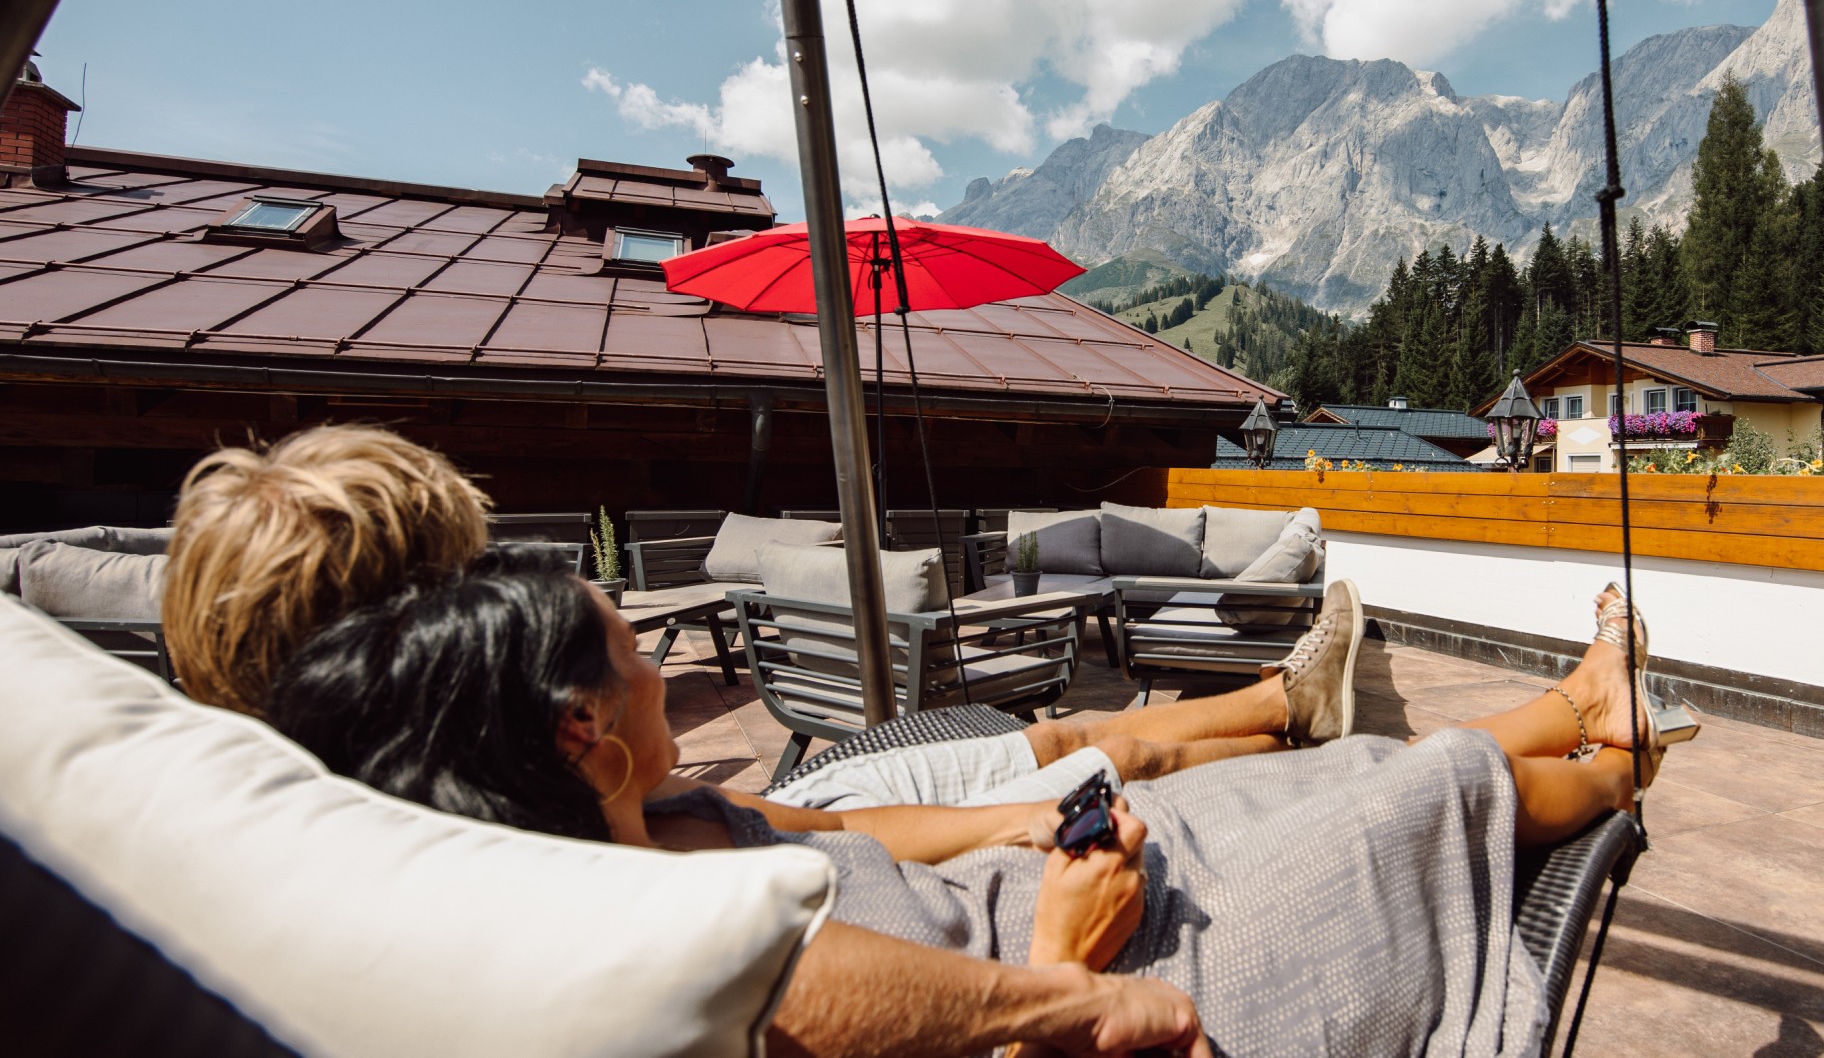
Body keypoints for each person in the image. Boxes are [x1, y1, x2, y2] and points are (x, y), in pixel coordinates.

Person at [265, 550, 1655, 1056]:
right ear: (582, 738)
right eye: (639, 655)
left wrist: (1009, 828)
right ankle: (1617, 754)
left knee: (1329, 774)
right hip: (1099, 991)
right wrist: (1064, 967)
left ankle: (1584, 703)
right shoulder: (663, 978)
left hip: (1029, 903)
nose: (659, 671)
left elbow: (849, 832)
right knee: (1407, 802)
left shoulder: (676, 821)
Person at [159, 425, 1360, 856]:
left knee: (1057, 733)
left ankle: (1274, 704)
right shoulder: (525, 820)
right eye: (463, 583)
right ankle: (1286, 719)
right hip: (820, 800)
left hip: (811, 783)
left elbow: (779, 822)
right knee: (1074, 750)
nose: (500, 603)